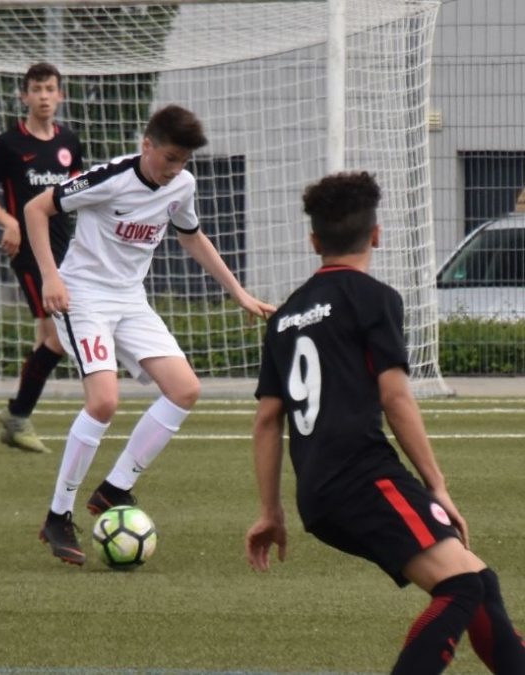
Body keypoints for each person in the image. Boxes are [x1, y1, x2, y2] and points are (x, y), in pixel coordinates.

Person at [244, 171, 525, 673]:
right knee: (461, 586)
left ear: (314, 242)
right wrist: (436, 485)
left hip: (318, 495)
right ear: (376, 234)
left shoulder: (283, 317)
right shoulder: (374, 297)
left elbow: (267, 420)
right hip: (363, 477)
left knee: (480, 582)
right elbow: (395, 397)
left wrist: (271, 512)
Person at [26, 104, 276, 564]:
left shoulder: (182, 185)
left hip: (130, 300)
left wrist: (239, 293)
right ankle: (57, 515)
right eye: (169, 158)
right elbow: (36, 208)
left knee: (184, 389)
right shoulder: (111, 178)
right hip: (84, 297)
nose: (175, 169)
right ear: (147, 145)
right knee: (104, 401)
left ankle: (114, 488)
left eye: (184, 161)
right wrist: (50, 277)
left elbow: (191, 236)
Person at [0, 63, 85, 454]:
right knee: (58, 337)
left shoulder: (69, 141)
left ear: (60, 95)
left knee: (49, 339)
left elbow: (79, 190)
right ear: (24, 96)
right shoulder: (9, 144)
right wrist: (9, 221)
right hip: (29, 255)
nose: (43, 96)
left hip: (65, 252)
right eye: (36, 89)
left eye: (50, 88)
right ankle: (17, 415)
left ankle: (21, 413)